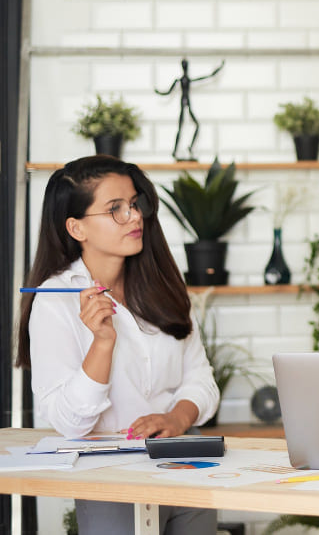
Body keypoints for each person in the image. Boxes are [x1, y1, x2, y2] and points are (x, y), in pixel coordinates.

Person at [15, 155, 220, 535]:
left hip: (186, 468)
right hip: (109, 477)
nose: (135, 216)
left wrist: (178, 419)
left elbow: (201, 379)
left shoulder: (163, 286)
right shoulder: (56, 299)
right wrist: (102, 344)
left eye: (134, 204)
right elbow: (68, 422)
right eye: (115, 209)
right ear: (77, 228)